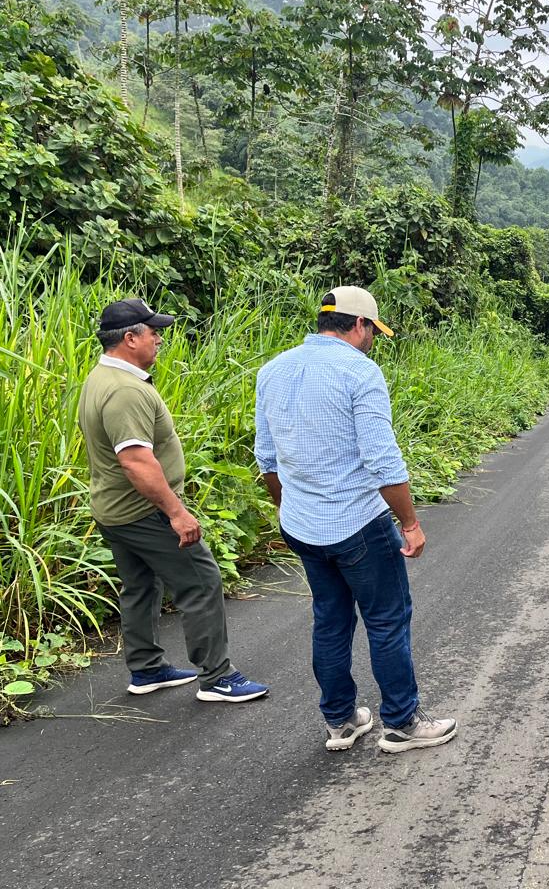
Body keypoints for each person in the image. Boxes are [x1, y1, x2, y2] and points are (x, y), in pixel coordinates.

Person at [254, 287, 456, 754]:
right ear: (360, 324)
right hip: (357, 524)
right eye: (373, 332)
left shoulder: (273, 370)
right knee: (386, 620)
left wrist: (288, 510)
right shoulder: (359, 371)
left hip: (302, 524)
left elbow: (267, 458)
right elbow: (382, 460)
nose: (372, 342)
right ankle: (402, 724)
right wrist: (410, 523)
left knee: (330, 620)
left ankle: (340, 721)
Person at [77, 299, 269, 702]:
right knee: (201, 581)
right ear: (130, 339)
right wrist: (176, 513)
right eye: (153, 332)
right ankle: (217, 677)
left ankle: (147, 668)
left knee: (140, 585)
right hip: (142, 511)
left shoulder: (102, 376)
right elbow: (135, 461)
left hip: (113, 509)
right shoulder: (124, 390)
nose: (159, 338)